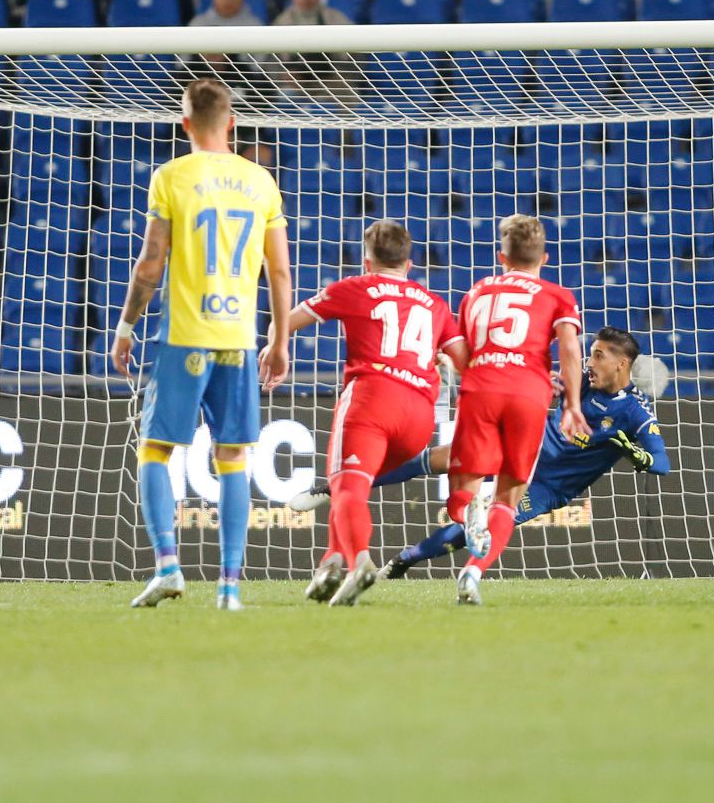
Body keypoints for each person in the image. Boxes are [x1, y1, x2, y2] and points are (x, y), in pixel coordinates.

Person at [112, 79, 292, 612]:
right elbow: (278, 270)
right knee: (233, 455)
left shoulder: (172, 176)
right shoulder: (261, 181)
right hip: (238, 338)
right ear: (231, 121)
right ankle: (229, 590)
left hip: (184, 336)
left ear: (185, 123)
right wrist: (280, 340)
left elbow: (150, 263)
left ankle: (168, 566)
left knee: (155, 448)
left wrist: (125, 327)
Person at [290, 328, 670, 579]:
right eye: (589, 354)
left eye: (598, 356)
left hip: (545, 486)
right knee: (436, 458)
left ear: (622, 364)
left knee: (477, 528)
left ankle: (403, 560)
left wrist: (640, 457)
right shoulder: (584, 383)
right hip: (520, 445)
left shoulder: (635, 413)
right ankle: (330, 489)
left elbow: (662, 463)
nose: (589, 362)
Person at [277, 220, 467, 605]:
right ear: (409, 263)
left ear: (367, 261)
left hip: (373, 400)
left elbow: (289, 320)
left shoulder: (354, 288)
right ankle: (330, 563)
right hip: (418, 418)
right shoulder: (435, 304)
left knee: (347, 485)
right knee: (351, 487)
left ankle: (358, 560)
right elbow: (466, 363)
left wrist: (274, 347)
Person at [443, 215, 586, 605]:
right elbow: (570, 349)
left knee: (462, 492)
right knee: (509, 498)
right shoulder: (558, 295)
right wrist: (571, 403)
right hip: (528, 393)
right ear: (546, 257)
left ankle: (470, 511)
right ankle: (473, 573)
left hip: (481, 386)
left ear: (500, 256)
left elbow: (463, 352)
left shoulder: (476, 291)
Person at [270, 0, 360, 104]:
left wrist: (339, 74)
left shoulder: (335, 18)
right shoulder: (281, 22)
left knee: (348, 92)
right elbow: (270, 60)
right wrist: (282, 75)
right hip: (294, 80)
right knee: (284, 94)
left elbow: (355, 53)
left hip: (330, 76)